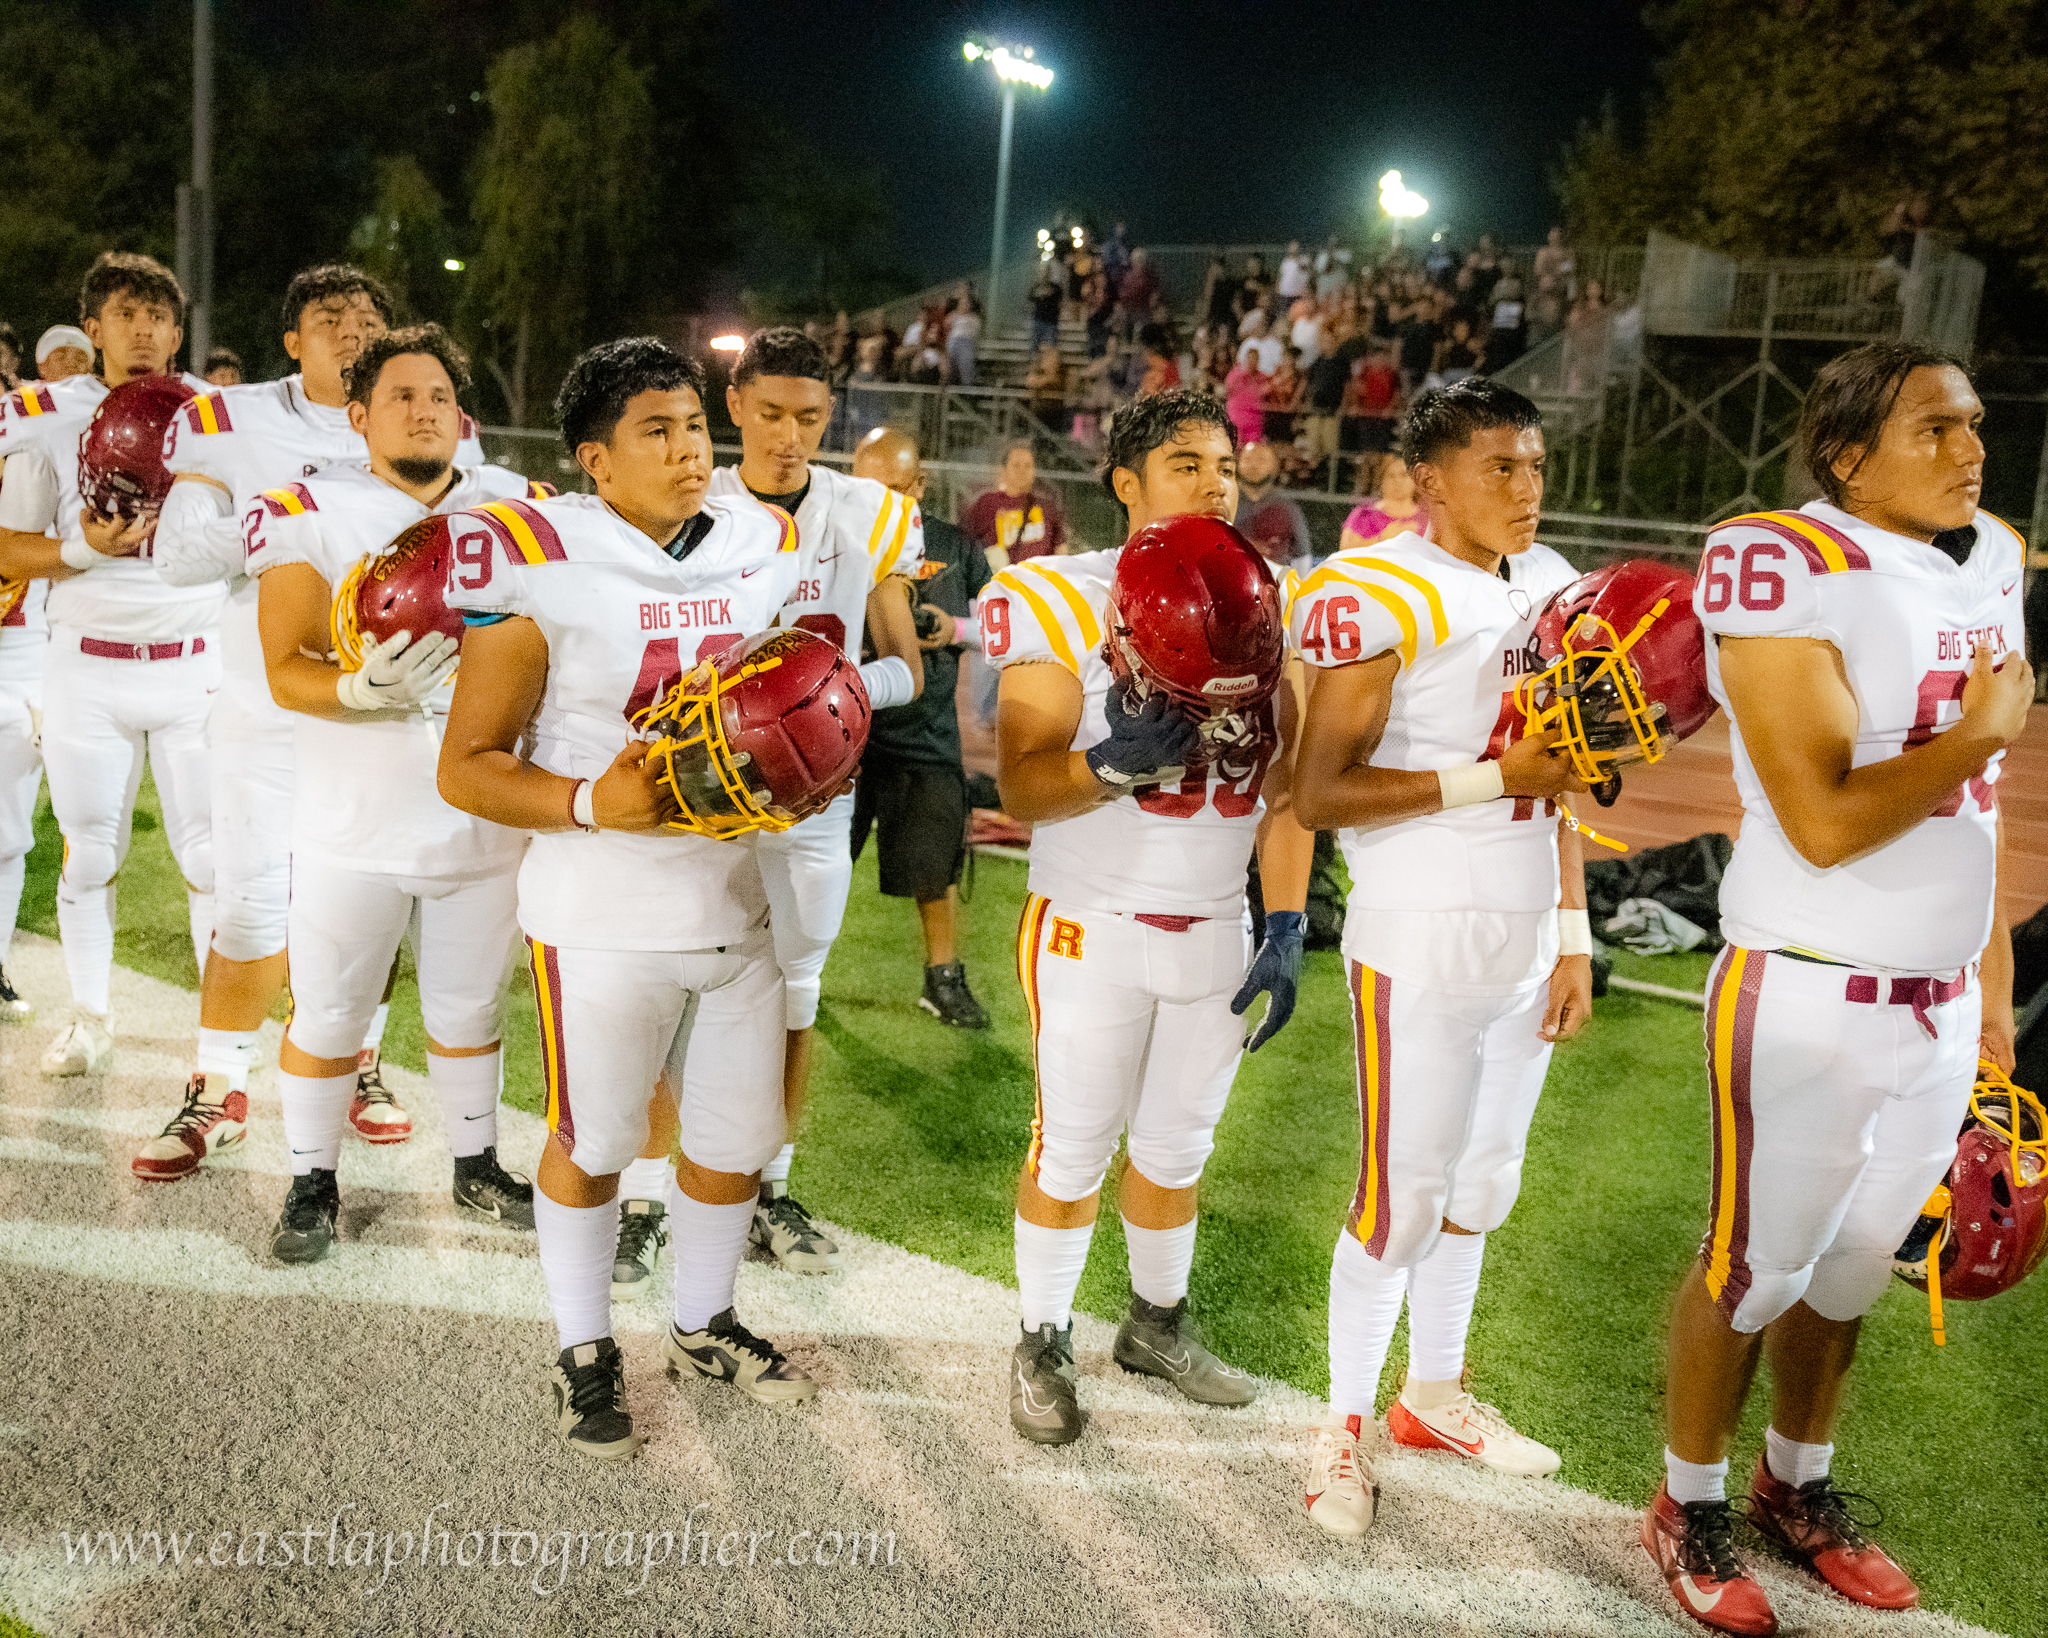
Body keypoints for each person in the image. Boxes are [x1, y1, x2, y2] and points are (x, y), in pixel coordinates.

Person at [1640, 342, 2033, 1633]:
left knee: (1859, 1266)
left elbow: (1984, 807)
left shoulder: (1988, 557)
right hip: (1807, 985)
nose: (1971, 449)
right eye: (1935, 428)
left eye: (1973, 423)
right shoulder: (1780, 559)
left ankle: (1793, 1485)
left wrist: (1990, 985)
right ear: (1848, 455)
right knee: (1752, 1268)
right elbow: (1816, 818)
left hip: (1936, 997)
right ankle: (1686, 1499)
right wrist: (1972, 733)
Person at [438, 337, 817, 1459]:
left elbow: (784, 694)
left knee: (737, 1140)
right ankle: (582, 1346)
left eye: (694, 425)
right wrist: (589, 802)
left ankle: (702, 1321)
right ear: (595, 460)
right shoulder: (535, 555)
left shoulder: (761, 538)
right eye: (657, 431)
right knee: (596, 1139)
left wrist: (806, 761)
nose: (690, 449)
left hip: (735, 898)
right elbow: (467, 766)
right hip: (600, 909)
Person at [1289, 379, 1593, 1538]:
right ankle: (1340, 1426)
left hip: (1526, 932)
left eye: (1534, 464)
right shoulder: (1374, 588)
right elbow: (1318, 792)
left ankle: (1432, 1396)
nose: (1525, 487)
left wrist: (1572, 935)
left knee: (1481, 1186)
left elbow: (1562, 778)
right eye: (1498, 466)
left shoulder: (1552, 579)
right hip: (1416, 932)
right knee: (1398, 1200)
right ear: (1429, 481)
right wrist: (1490, 777)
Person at [984, 388, 1314, 1445]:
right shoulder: (1060, 594)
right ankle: (1040, 1338)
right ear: (1125, 482)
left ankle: (1154, 1324)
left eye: (1225, 466)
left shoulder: (1274, 599)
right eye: (1186, 464)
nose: (1215, 484)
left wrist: (1286, 922)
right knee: (1070, 1149)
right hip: (1092, 920)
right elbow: (1023, 786)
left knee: (1177, 1150)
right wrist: (1109, 765)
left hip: (1216, 925)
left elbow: (1287, 789)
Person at [137, 266, 482, 1180]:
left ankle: (360, 1061)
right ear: (292, 341)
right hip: (272, 703)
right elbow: (176, 556)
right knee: (251, 903)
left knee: (379, 900)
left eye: (369, 315)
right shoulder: (230, 417)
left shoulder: (430, 419)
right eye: (331, 318)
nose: (353, 329)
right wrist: (298, 519)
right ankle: (218, 1084)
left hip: (391, 714)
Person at [242, 323, 535, 1264]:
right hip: (352, 821)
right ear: (358, 416)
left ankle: (476, 1163)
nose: (425, 411)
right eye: (403, 395)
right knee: (329, 1011)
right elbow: (286, 667)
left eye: (440, 396)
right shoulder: (305, 508)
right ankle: (311, 1178)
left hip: (480, 817)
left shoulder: (521, 509)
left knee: (470, 1010)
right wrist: (357, 691)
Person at [706, 327, 926, 1278]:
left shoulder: (869, 512)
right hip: (706, 788)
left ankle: (775, 1187)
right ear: (734, 407)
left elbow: (909, 668)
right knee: (679, 982)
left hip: (818, 794)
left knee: (798, 991)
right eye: (769, 413)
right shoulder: (694, 497)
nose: (789, 435)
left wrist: (814, 702)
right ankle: (649, 1195)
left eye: (807, 416)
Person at [0, 253, 217, 1078]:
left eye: (158, 316)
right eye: (126, 315)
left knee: (210, 859)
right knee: (90, 852)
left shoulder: (217, 416)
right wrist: (81, 549)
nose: (144, 331)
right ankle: (90, 1017)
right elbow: (10, 548)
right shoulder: (51, 415)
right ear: (93, 328)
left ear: (178, 331)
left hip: (196, 662)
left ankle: (217, 1045)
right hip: (87, 666)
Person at [848, 427, 995, 1028]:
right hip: (838, 736)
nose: (878, 505)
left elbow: (1004, 629)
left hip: (925, 731)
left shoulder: (955, 545)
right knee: (807, 865)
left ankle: (943, 979)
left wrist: (952, 628)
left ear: (920, 486)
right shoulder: (829, 540)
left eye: (893, 490)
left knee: (936, 869)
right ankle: (779, 971)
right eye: (866, 492)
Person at [962, 441, 1064, 569]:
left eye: (1027, 466)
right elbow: (965, 546)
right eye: (1016, 465)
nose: (1022, 471)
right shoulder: (987, 503)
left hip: (1038, 578)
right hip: (1001, 578)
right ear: (1004, 470)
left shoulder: (1046, 506)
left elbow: (1060, 548)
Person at [1233, 441, 1312, 578]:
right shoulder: (1224, 500)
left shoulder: (1287, 507)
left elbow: (1302, 556)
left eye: (1261, 460)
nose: (1254, 465)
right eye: (1248, 459)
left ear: (1274, 466)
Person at [1304, 321, 1368, 482]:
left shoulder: (1341, 362)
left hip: (1332, 410)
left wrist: (1345, 405)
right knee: (1314, 446)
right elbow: (1310, 383)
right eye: (1325, 341)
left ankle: (1330, 480)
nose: (1328, 344)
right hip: (1317, 409)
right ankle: (1317, 477)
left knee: (1330, 447)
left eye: (1330, 341)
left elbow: (1347, 385)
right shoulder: (1318, 361)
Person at [1338, 454, 1426, 551]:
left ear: (1415, 479)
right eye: (1391, 476)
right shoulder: (1362, 515)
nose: (1397, 480)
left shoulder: (1427, 519)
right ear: (1382, 480)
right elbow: (1344, 551)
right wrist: (1382, 539)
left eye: (1403, 475)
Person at [1223, 352, 1267, 451]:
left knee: (1252, 450)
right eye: (1249, 359)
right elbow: (1227, 391)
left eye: (1254, 359)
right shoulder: (1235, 375)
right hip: (1237, 417)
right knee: (1235, 448)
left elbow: (1266, 393)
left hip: (1254, 421)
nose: (1252, 362)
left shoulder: (1261, 377)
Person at [946, 290, 982, 388]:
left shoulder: (973, 319)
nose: (965, 305)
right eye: (962, 303)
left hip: (966, 343)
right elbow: (947, 331)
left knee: (963, 348)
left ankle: (967, 384)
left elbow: (974, 335)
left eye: (967, 303)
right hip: (952, 343)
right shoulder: (952, 317)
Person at [1135, 324, 1180, 399]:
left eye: (1142, 347)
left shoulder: (1156, 372)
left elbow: (1149, 400)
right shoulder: (1170, 365)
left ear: (1150, 348)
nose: (1140, 352)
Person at [1028, 263, 1063, 355]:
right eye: (1042, 272)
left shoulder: (1055, 288)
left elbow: (1060, 302)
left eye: (1046, 272)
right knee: (1035, 348)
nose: (1044, 274)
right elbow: (1030, 299)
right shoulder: (1036, 287)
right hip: (1038, 320)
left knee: (1049, 347)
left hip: (1051, 321)